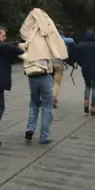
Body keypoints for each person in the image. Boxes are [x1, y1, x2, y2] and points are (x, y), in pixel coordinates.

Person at [19, 9, 66, 144]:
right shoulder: (46, 33)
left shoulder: (29, 34)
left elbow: (23, 29)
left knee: (34, 103)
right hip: (44, 73)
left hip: (31, 73)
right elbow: (57, 49)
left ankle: (30, 129)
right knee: (47, 106)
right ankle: (44, 136)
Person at [76, 31, 95, 116]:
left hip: (85, 68)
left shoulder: (80, 45)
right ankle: (93, 107)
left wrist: (82, 64)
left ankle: (86, 103)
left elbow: (78, 58)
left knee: (87, 86)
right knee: (94, 88)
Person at [53, 27, 75, 108]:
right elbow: (71, 40)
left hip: (48, 63)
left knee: (49, 82)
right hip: (58, 63)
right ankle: (54, 98)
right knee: (57, 82)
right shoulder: (63, 40)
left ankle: (48, 98)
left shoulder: (50, 40)